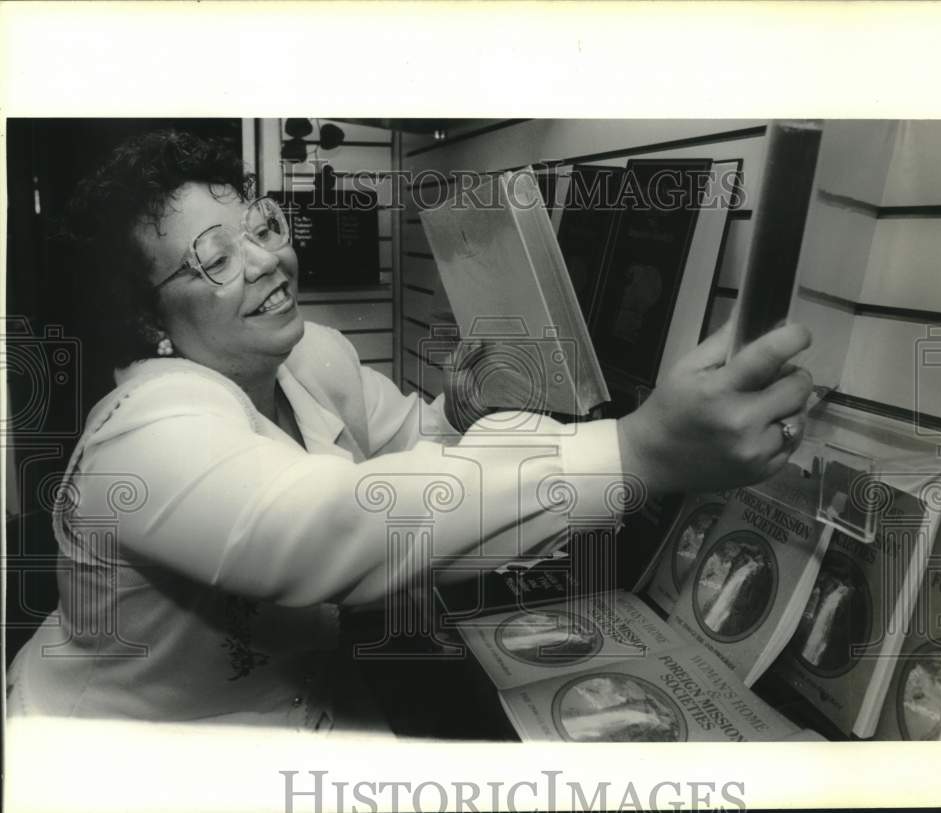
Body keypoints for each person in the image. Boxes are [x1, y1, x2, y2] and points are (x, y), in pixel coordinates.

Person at [6, 131, 813, 731]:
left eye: (261, 226)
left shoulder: (308, 355)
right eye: (213, 257)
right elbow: (327, 523)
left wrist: (451, 415)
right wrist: (639, 450)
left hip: (305, 712)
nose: (261, 261)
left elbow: (395, 447)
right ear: (149, 318)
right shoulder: (141, 431)